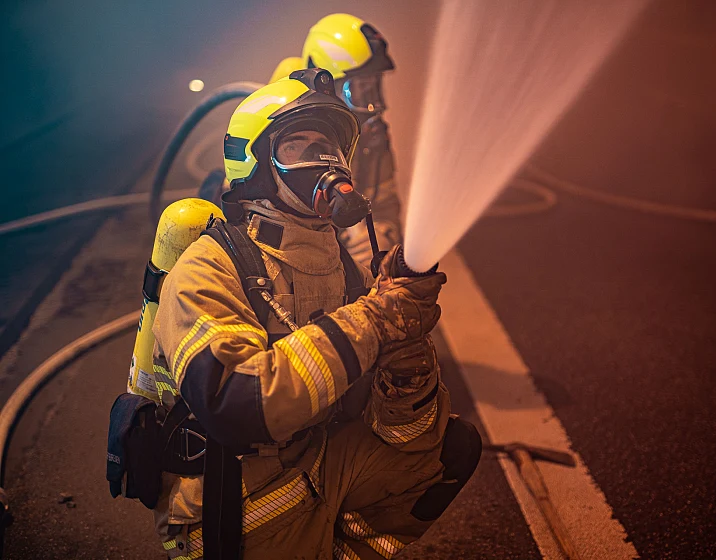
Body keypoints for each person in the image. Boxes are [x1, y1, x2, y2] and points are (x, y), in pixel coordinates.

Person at [150, 69, 481, 559]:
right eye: (297, 146)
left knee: (452, 447)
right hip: (237, 504)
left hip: (315, 466)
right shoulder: (209, 266)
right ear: (256, 165)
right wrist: (373, 320)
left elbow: (408, 434)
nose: (322, 163)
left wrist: (405, 344)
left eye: (328, 147)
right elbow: (236, 404)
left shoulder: (340, 268)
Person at [302, 14, 403, 268]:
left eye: (373, 88)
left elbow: (387, 202)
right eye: (358, 90)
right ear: (325, 86)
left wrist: (382, 232)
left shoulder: (372, 134)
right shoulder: (293, 141)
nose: (372, 104)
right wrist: (339, 243)